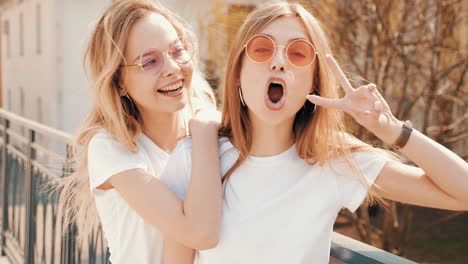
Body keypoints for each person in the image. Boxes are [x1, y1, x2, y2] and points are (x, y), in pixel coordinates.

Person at [162, 1, 468, 263]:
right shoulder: (193, 157)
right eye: (262, 49)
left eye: (298, 54)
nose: (279, 62)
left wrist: (391, 130)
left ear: (313, 82)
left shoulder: (333, 159)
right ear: (238, 73)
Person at [56, 0, 223, 263]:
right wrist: (203, 135)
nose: (173, 68)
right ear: (119, 83)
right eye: (149, 62)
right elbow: (198, 232)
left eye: (177, 50)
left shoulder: (212, 126)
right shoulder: (110, 147)